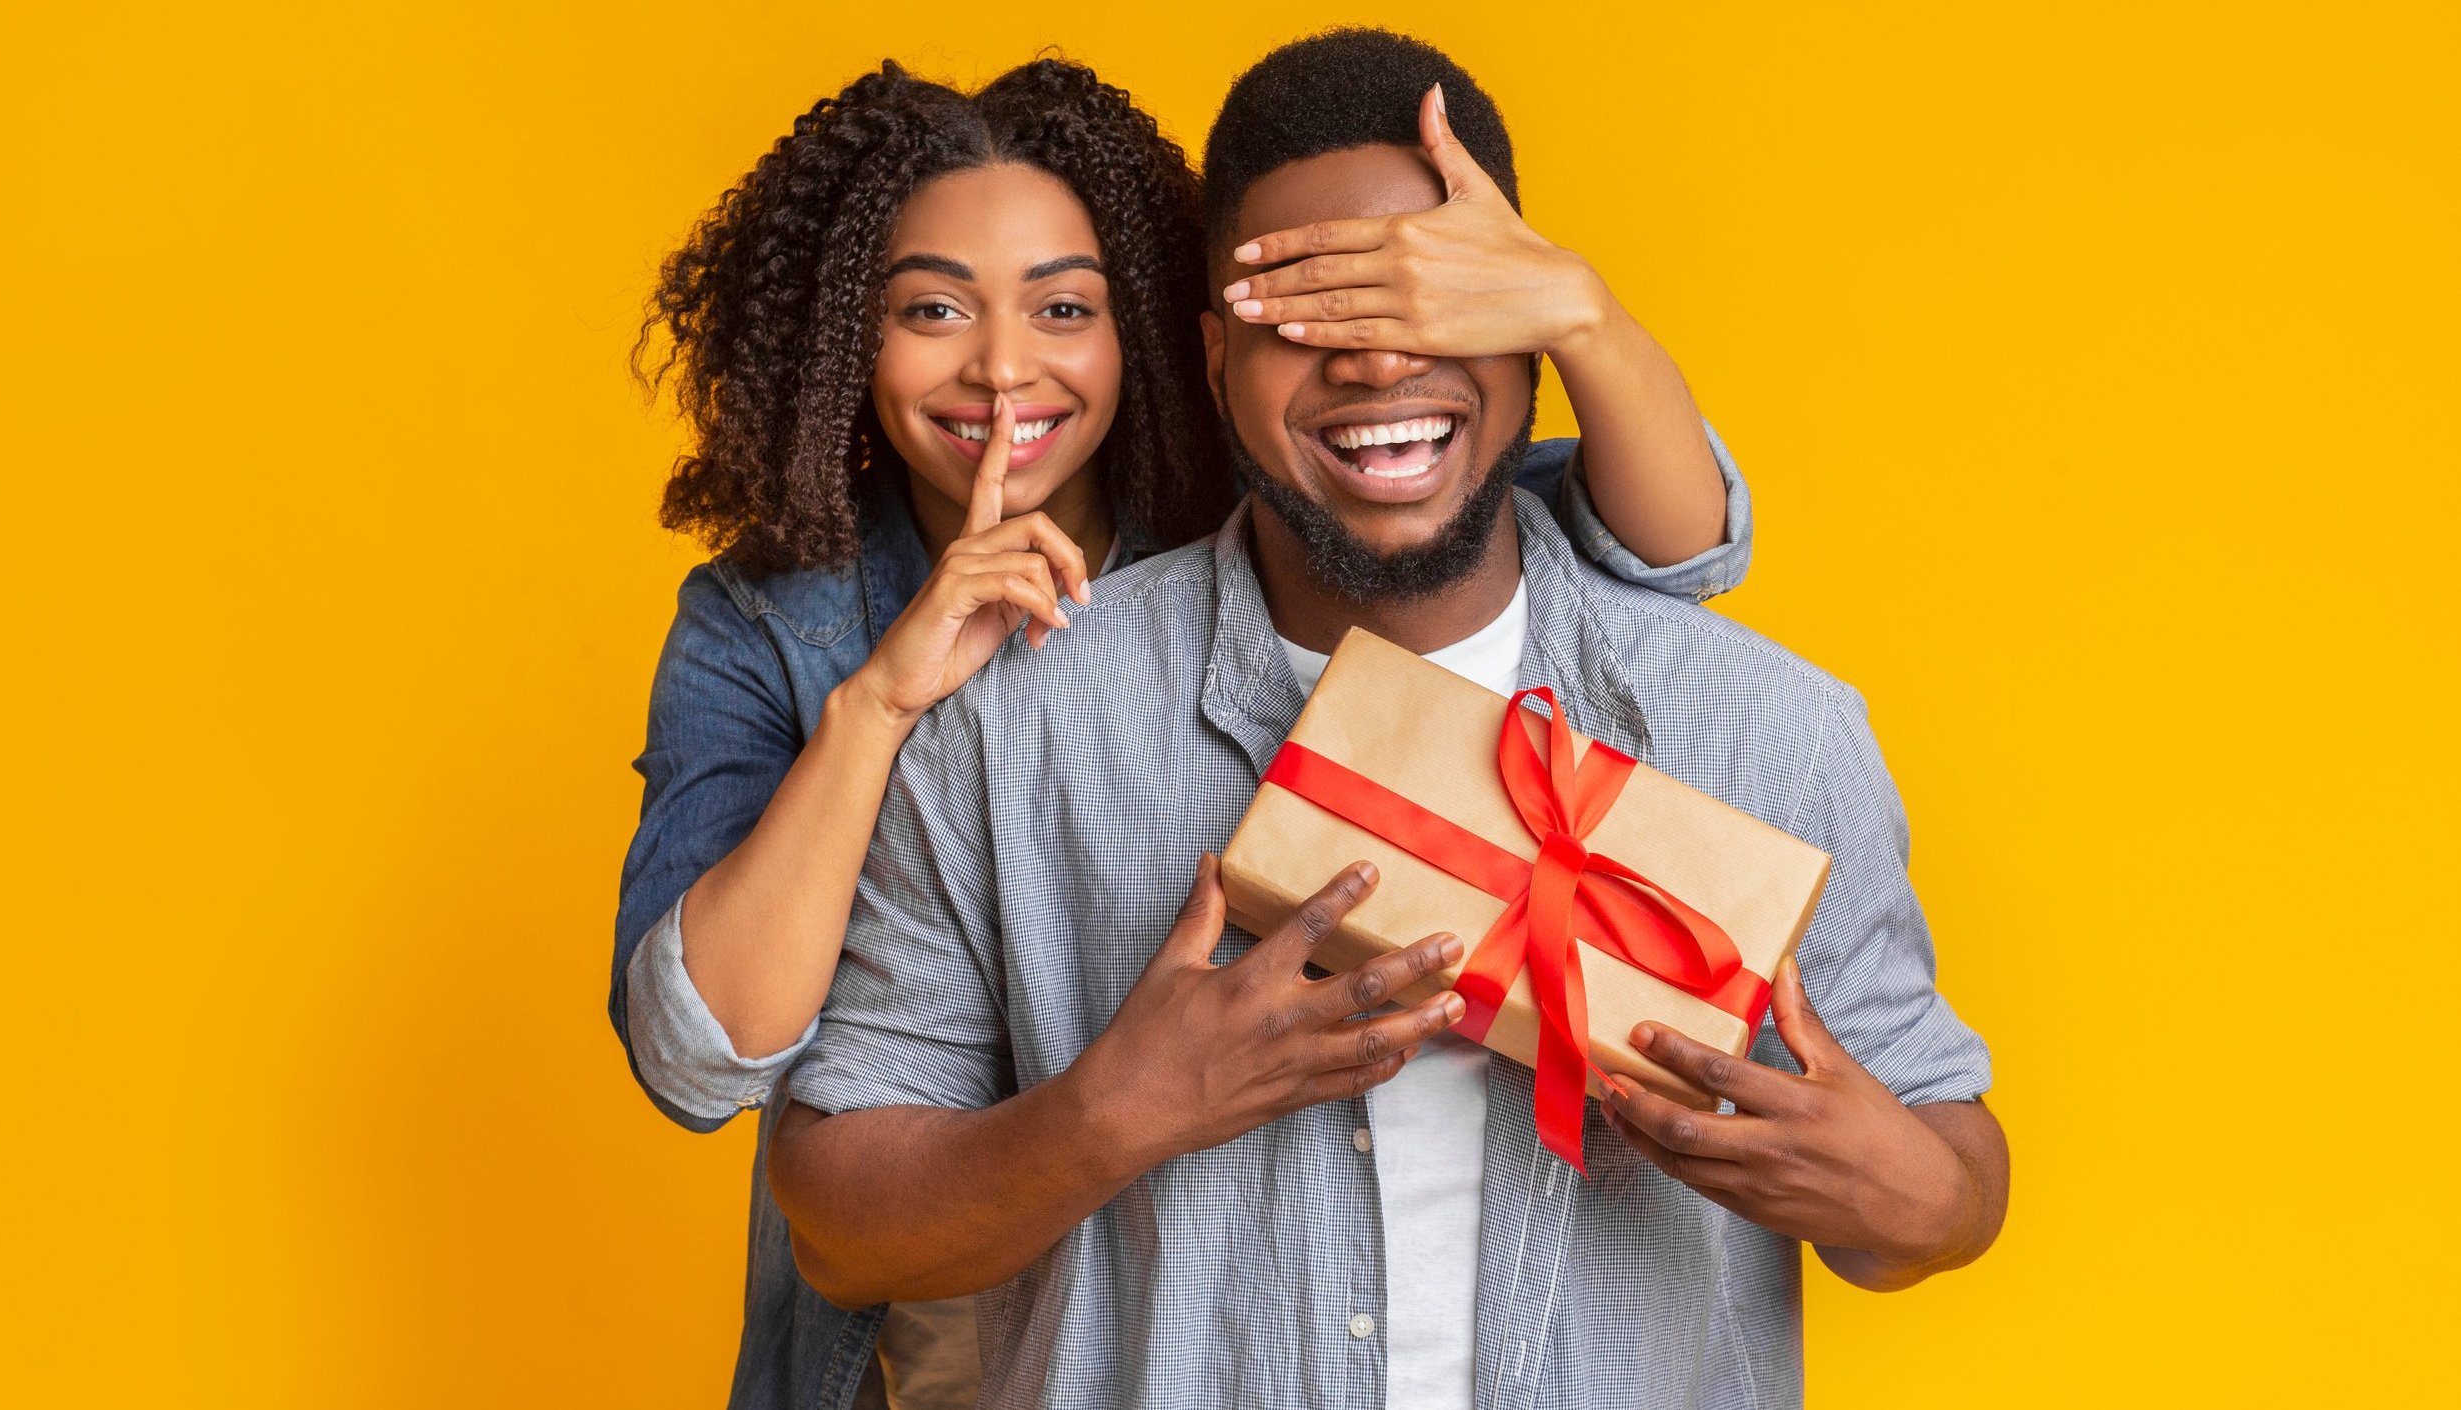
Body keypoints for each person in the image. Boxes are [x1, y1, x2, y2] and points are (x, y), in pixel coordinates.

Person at [770, 29, 2008, 1410]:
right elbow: (836, 1223)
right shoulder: (1010, 724)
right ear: (1215, 354)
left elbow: (1951, 1173)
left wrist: (1910, 1192)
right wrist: (1111, 1114)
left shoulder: (1771, 729)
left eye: (1433, 301)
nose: (1371, 365)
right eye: (1302, 312)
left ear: (1531, 330)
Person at [616, 53, 1758, 1410]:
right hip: (923, 1322)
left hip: (1181, 1307)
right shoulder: (768, 625)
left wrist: (1575, 308)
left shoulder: (1273, 524)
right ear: (837, 341)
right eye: (932, 308)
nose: (1002, 365)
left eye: (1064, 307)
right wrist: (881, 702)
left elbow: (1673, 557)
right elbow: (702, 1058)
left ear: (1157, 335)